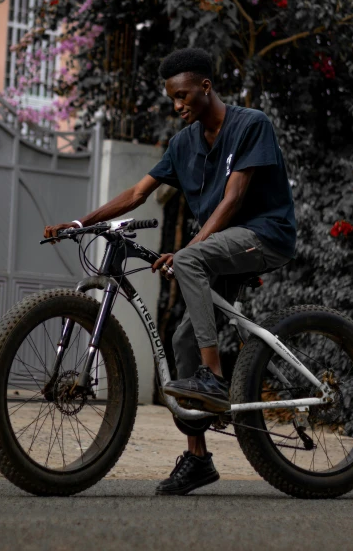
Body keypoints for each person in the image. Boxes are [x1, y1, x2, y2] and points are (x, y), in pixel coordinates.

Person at [44, 48, 296, 496]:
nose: (177, 106)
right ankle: (198, 459)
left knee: (192, 260)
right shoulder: (184, 143)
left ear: (205, 86)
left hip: (264, 235)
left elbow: (234, 200)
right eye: (171, 99)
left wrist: (190, 250)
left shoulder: (250, 124)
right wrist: (83, 223)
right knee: (182, 339)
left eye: (182, 96)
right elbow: (139, 192)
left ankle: (214, 378)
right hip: (219, 248)